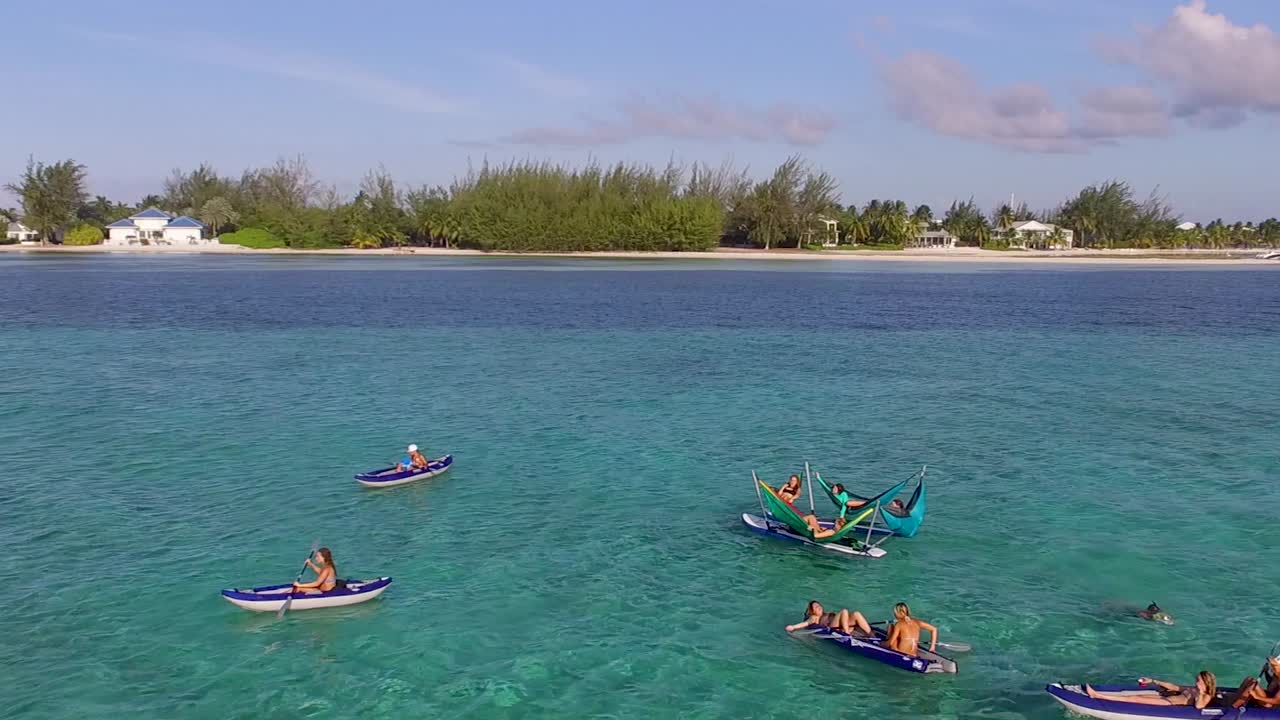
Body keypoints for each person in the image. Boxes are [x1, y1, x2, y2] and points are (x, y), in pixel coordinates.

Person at [1086, 671, 1215, 710]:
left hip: (1168, 703)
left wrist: (1200, 692)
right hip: (1165, 698)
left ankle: (1097, 696)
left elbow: (1199, 706)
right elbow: (1174, 687)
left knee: (1135, 699)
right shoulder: (1192, 689)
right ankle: (1102, 694)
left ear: (1205, 682)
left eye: (1198, 680)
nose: (1196, 682)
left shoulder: (1206, 695)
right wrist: (1153, 680)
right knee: (1140, 695)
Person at [785, 600, 873, 637]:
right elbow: (805, 623)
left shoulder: (826, 614)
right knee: (844, 611)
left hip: (842, 626)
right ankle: (846, 635)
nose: (819, 607)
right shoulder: (814, 617)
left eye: (819, 605)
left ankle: (872, 635)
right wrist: (793, 627)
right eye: (816, 607)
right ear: (813, 611)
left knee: (856, 614)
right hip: (833, 628)